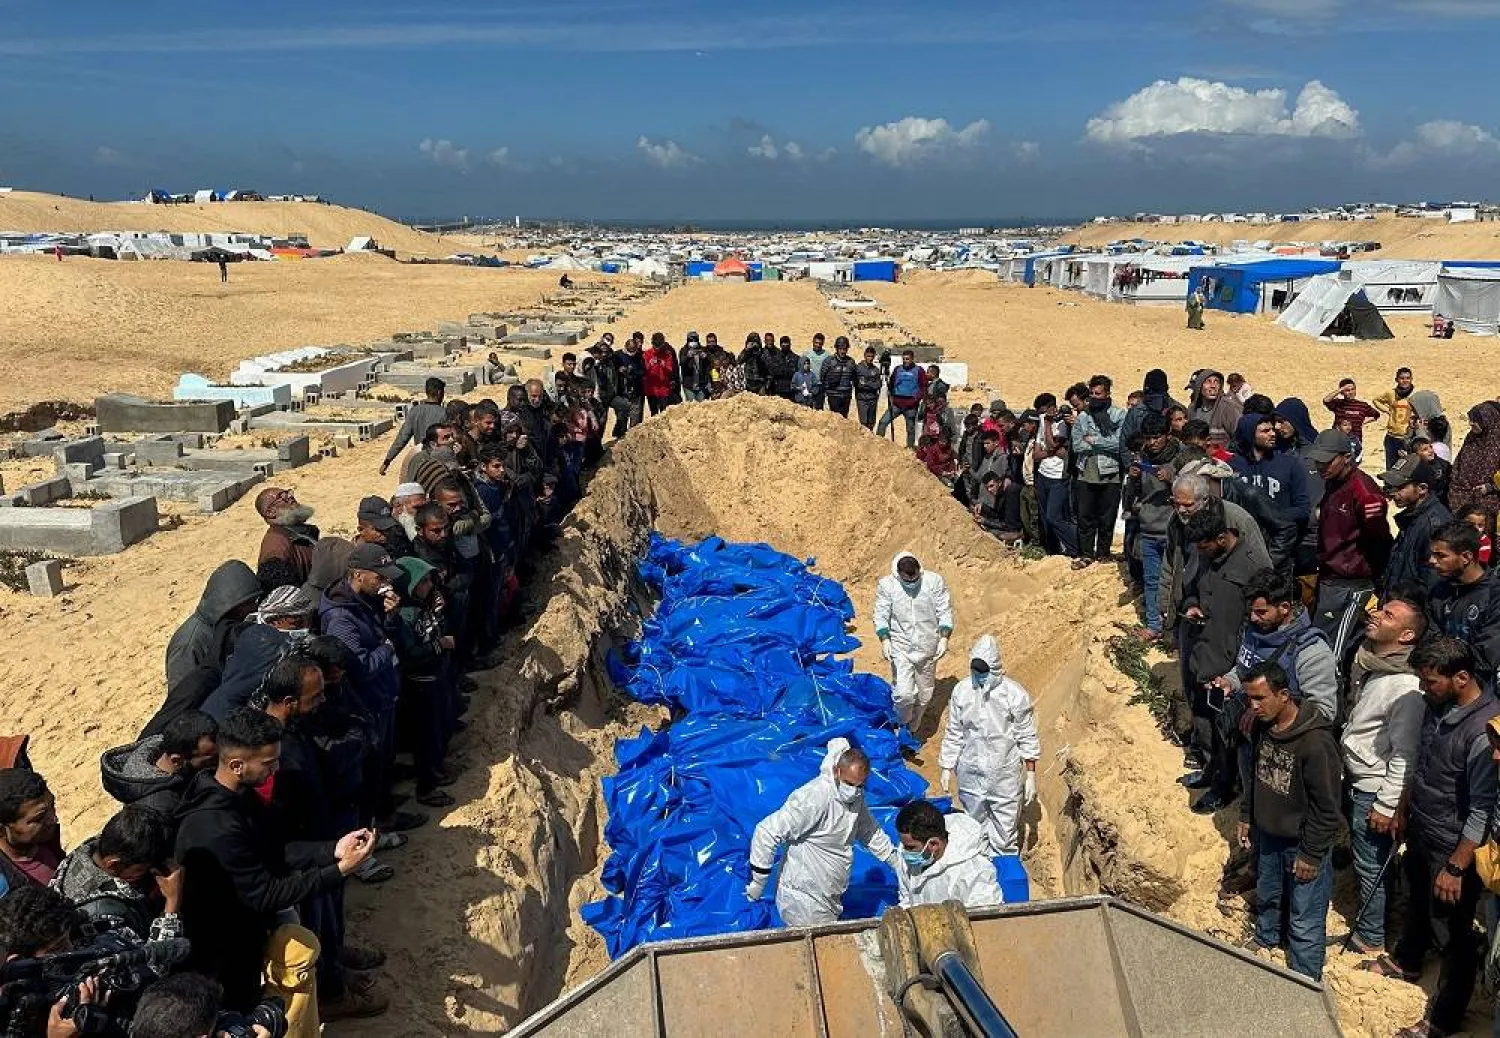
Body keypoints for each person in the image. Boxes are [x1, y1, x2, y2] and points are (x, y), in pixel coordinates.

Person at [174, 708, 379, 1018]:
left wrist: (332, 849)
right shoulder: (216, 827)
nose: (277, 768)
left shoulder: (239, 795)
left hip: (248, 925)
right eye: (269, 763)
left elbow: (274, 851)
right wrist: (338, 871)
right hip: (223, 946)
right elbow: (265, 893)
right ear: (237, 765)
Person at [1364, 637, 1500, 1038]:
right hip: (1424, 828)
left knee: (1454, 934)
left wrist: (1456, 867)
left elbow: (1481, 810)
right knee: (1419, 903)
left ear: (1461, 678)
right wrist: (1403, 810)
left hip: (1452, 847)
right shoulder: (1438, 707)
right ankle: (1407, 961)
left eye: (1431, 682)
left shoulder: (1482, 734)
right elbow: (1421, 765)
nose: (1423, 691)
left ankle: (1443, 1019)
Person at [1238, 660, 1341, 981]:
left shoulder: (1316, 743)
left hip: (1302, 845)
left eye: (1260, 698)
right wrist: (1246, 816)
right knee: (1268, 897)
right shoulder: (1262, 727)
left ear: (1284, 695)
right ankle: (1267, 938)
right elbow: (1255, 777)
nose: (1253, 707)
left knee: (1304, 917)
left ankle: (1304, 978)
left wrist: (1311, 854)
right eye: (1248, 699)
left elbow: (1327, 809)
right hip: (1269, 837)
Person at [1340, 594, 1425, 955]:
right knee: (1370, 860)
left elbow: (1405, 754)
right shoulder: (1376, 665)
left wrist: (1387, 805)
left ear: (1406, 636)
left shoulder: (1406, 687)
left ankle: (1371, 937)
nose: (1374, 615)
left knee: (1370, 863)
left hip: (1373, 790)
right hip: (1359, 777)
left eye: (1388, 615)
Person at [1179, 500, 1272, 815]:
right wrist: (1192, 604)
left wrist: (1237, 672)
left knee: (1226, 730)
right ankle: (1210, 770)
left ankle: (1224, 787)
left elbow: (1259, 625)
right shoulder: (1207, 554)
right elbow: (1190, 586)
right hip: (1203, 653)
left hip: (1229, 664)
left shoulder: (1253, 565)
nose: (1200, 553)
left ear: (1222, 538)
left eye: (1204, 547)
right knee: (1204, 721)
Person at [746, 739, 900, 926]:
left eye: (860, 786)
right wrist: (759, 881)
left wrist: (896, 863)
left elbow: (869, 831)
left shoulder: (855, 799)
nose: (854, 791)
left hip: (827, 893)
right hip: (804, 898)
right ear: (837, 771)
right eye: (849, 784)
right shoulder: (815, 798)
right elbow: (767, 831)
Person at [939, 635, 1040, 856]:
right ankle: (981, 872)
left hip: (1003, 775)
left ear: (995, 668)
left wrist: (1031, 774)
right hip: (970, 772)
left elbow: (1026, 735)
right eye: (976, 670)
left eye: (984, 671)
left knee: (1004, 833)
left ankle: (1004, 873)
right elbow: (954, 731)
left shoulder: (1014, 695)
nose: (980, 676)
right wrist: (947, 766)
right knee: (975, 828)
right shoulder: (962, 691)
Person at [1306, 429, 1391, 648]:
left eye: (1327, 461)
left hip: (1351, 584)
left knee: (1333, 647)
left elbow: (1379, 538)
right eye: (1318, 461)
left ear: (1346, 458)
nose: (1321, 466)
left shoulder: (1364, 491)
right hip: (1329, 576)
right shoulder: (1332, 482)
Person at [50, 805, 182, 944]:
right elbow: (150, 962)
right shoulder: (101, 918)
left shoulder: (90, 848)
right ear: (113, 864)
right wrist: (172, 905)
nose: (149, 872)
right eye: (141, 869)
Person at [873, 553, 954, 731]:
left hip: (927, 646)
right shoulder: (888, 586)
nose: (912, 583)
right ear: (899, 574)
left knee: (924, 695)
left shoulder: (933, 582)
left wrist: (944, 637)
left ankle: (913, 728)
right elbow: (881, 614)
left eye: (915, 578)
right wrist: (885, 639)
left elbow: (944, 610)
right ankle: (901, 724)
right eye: (907, 580)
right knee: (904, 694)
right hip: (901, 647)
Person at [100, 710, 218, 823]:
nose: (217, 763)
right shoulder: (161, 807)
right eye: (210, 761)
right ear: (176, 760)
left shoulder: (152, 753)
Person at [164, 561, 260, 694]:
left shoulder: (230, 627)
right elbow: (181, 697)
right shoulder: (189, 645)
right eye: (248, 604)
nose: (253, 608)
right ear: (231, 606)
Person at [1125, 412, 1181, 640]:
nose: (1152, 442)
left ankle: (1174, 628)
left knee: (1175, 580)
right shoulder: (1142, 458)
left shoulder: (1179, 457)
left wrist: (1172, 479)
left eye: (1157, 437)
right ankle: (1154, 625)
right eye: (1148, 438)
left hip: (1172, 529)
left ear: (1167, 435)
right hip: (1148, 527)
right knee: (1151, 579)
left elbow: (1193, 489)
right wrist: (1134, 478)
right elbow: (1132, 496)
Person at [893, 800, 1005, 910]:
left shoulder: (973, 874)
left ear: (933, 844)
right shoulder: (908, 856)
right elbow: (907, 900)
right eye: (904, 846)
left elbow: (985, 920)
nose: (904, 852)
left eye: (911, 848)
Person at [1426, 521, 1500, 682]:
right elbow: (1430, 638)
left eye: (1440, 555)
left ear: (1466, 557)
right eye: (1432, 554)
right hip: (1439, 683)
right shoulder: (1439, 591)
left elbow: (1486, 655)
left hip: (1477, 690)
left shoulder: (1494, 596)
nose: (1432, 561)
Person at [1070, 375, 1126, 566]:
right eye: (1092, 393)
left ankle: (1103, 553)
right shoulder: (1083, 417)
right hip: (1086, 471)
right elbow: (1077, 445)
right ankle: (1086, 553)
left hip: (1111, 472)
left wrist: (1094, 440)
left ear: (1107, 393)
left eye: (1098, 393)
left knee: (1107, 517)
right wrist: (1101, 443)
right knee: (1085, 516)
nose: (1094, 397)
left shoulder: (1119, 415)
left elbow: (1119, 444)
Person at [1381, 455, 1453, 596]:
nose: (1393, 493)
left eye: (1400, 487)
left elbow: (1433, 582)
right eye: (1392, 487)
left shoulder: (1435, 525)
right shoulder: (1413, 517)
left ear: (1422, 488)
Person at [1229, 413, 1311, 530]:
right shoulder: (1231, 466)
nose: (1273, 434)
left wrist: (1274, 516)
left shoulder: (1290, 464)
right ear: (1250, 434)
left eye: (1272, 429)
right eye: (1265, 431)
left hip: (1280, 540)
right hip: (1244, 538)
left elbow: (1303, 509)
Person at [1031, 392, 1078, 558]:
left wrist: (1049, 425)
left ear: (1053, 409)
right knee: (1045, 518)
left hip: (1059, 476)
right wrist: (1051, 452)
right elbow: (1037, 454)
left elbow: (1052, 444)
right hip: (1043, 474)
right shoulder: (1042, 423)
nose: (1043, 416)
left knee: (1055, 516)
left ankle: (1075, 547)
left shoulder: (1062, 425)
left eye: (1045, 412)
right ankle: (1052, 551)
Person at [0, 767, 62, 890]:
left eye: (52, 805)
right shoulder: (5, 885)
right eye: (38, 818)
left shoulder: (46, 839)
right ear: (2, 830)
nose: (53, 819)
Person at [379, 377, 447, 477]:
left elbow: (402, 438)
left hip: (419, 461)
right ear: (439, 392)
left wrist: (387, 461)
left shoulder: (414, 411)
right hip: (439, 463)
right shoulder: (444, 413)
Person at [255, 488, 320, 587]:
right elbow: (283, 593)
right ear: (270, 512)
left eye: (288, 493)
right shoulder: (276, 548)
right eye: (282, 496)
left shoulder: (294, 531)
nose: (290, 496)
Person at [1448, 401, 1500, 517]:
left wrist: (1490, 487)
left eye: (1475, 421)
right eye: (1470, 420)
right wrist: (1457, 485)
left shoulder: (1497, 441)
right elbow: (1459, 463)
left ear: (1487, 421)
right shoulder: (1471, 437)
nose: (1471, 424)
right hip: (1462, 494)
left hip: (1490, 498)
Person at [876, 350, 928, 448]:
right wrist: (891, 396)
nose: (905, 361)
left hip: (911, 406)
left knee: (910, 429)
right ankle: (879, 444)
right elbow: (891, 384)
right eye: (903, 359)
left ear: (912, 359)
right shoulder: (898, 369)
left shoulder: (919, 370)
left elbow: (924, 387)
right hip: (896, 404)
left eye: (907, 359)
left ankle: (910, 448)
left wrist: (916, 399)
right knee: (883, 422)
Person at [1372, 366, 1416, 472]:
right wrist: (1388, 410)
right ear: (1396, 380)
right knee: (1391, 467)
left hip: (1408, 437)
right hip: (1392, 436)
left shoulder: (1415, 395)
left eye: (1407, 378)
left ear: (1411, 379)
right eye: (1402, 378)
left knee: (1407, 468)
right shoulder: (1391, 394)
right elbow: (1376, 400)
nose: (1405, 381)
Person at [1188, 370, 1243, 449]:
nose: (1213, 386)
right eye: (1208, 382)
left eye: (1216, 382)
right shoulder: (1192, 409)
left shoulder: (1229, 408)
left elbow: (1240, 438)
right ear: (1199, 386)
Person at [1322, 378, 1381, 450]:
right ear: (1342, 392)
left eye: (1353, 389)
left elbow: (1376, 415)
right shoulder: (1338, 404)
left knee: (1354, 460)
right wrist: (1341, 389)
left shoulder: (1363, 405)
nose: (1351, 392)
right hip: (1337, 441)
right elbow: (1326, 400)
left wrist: (1363, 422)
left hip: (1355, 442)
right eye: (1347, 390)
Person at [641, 332, 679, 415]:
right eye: (655, 346)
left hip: (663, 388)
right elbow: (643, 372)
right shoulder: (647, 354)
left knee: (664, 412)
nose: (657, 349)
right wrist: (650, 364)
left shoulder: (667, 354)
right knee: (654, 412)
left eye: (659, 346)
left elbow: (670, 371)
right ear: (652, 343)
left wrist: (663, 365)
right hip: (651, 388)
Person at [820, 336, 857, 418]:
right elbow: (822, 377)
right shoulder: (829, 361)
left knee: (844, 419)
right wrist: (828, 387)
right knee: (835, 419)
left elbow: (854, 378)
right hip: (833, 395)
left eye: (845, 349)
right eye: (840, 348)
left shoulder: (851, 362)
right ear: (836, 348)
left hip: (846, 395)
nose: (843, 351)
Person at [853, 346, 884, 430]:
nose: (870, 358)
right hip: (862, 399)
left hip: (873, 399)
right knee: (863, 423)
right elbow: (858, 384)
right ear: (864, 355)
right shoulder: (858, 368)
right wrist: (871, 384)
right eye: (868, 356)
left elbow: (878, 385)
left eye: (871, 356)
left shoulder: (876, 370)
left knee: (871, 422)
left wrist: (866, 383)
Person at [679, 332, 709, 402]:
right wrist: (688, 357)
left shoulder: (703, 349)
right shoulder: (684, 350)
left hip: (701, 384)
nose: (693, 342)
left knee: (702, 407)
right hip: (689, 385)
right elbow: (681, 363)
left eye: (695, 340)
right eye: (691, 340)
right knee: (690, 406)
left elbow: (708, 365)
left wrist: (705, 358)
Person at [802, 333, 829, 410]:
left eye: (820, 343)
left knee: (819, 409)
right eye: (816, 343)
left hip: (820, 385)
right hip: (808, 385)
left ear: (823, 343)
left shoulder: (827, 355)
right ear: (813, 342)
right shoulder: (806, 354)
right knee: (807, 408)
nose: (818, 345)